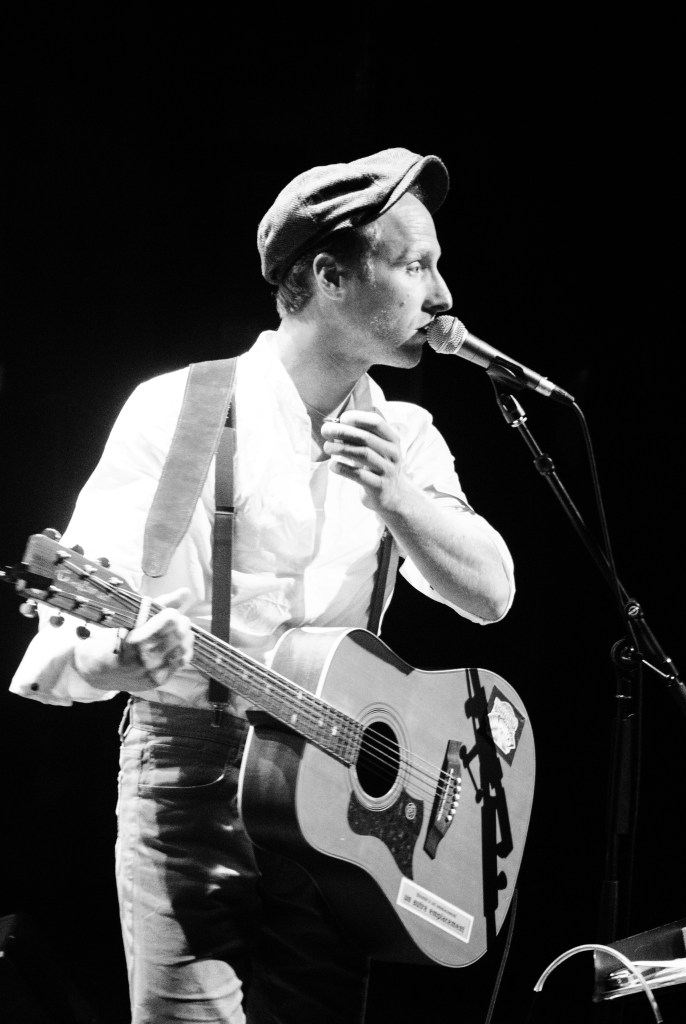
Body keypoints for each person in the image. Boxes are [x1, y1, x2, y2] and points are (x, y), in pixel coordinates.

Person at [11, 147, 516, 1024]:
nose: (441, 295)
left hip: (338, 798)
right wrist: (121, 662)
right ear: (329, 277)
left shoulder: (406, 434)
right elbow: (76, 622)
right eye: (414, 265)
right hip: (190, 774)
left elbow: (491, 594)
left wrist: (399, 499)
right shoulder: (180, 408)